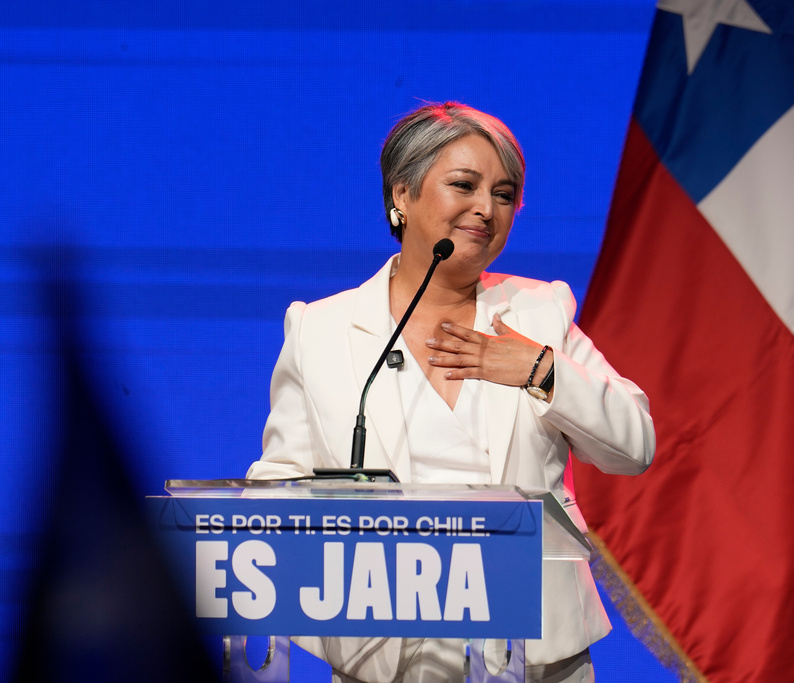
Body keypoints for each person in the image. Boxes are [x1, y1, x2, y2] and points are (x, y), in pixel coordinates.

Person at [247, 102, 655, 682]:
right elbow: (278, 485)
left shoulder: (539, 313)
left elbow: (635, 444)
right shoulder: (321, 331)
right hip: (382, 651)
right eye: (463, 185)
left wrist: (539, 369)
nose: (486, 209)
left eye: (505, 194)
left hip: (536, 655)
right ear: (403, 195)